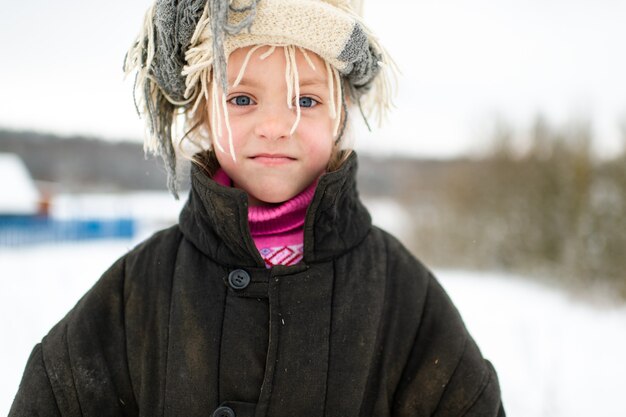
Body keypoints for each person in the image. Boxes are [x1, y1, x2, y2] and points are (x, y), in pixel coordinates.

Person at [10, 0, 505, 416]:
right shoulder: (139, 290)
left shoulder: (402, 295)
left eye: (306, 101)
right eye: (243, 97)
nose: (275, 125)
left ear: (340, 115)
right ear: (204, 111)